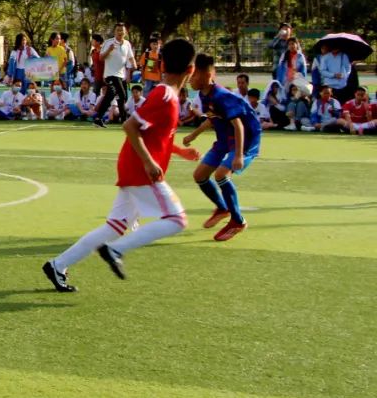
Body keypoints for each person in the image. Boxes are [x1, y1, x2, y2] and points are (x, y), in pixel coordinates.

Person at [42, 38, 199, 293]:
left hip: (134, 167)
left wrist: (181, 151)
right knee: (177, 219)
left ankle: (57, 265)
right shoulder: (164, 95)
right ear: (190, 70)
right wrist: (149, 162)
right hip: (141, 170)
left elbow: (155, 135)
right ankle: (116, 250)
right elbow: (130, 126)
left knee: (114, 226)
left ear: (162, 63)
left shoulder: (166, 95)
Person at [182, 53, 262, 242]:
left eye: (192, 75)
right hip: (225, 138)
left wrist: (238, 156)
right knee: (199, 175)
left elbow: (239, 126)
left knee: (220, 174)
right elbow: (212, 119)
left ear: (204, 74)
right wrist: (193, 135)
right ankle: (223, 207)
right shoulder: (204, 94)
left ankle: (238, 220)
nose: (189, 80)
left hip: (246, 138)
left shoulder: (221, 96)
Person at [93, 23, 136, 127]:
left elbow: (130, 57)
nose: (120, 32)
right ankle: (124, 121)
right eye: (118, 30)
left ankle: (98, 118)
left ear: (125, 32)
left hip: (121, 75)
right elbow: (101, 58)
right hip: (110, 74)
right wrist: (109, 50)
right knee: (122, 95)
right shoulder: (108, 43)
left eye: (122, 30)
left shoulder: (127, 44)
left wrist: (134, 64)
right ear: (114, 32)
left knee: (109, 96)